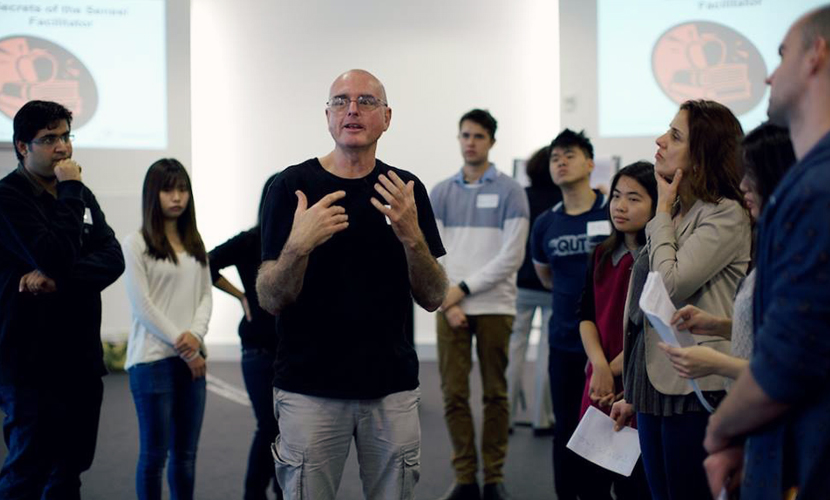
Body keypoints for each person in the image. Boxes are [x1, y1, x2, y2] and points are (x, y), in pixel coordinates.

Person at [255, 69, 447, 500]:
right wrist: (297, 247)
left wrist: (413, 238)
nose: (353, 110)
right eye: (341, 101)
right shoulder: (291, 187)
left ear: (387, 117)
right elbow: (270, 297)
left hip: (391, 390)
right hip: (309, 389)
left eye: (366, 101)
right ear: (328, 116)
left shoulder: (405, 190)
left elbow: (433, 296)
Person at [703, 8, 830, 499]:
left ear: (816, 54)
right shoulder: (808, 182)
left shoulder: (817, 189)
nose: (769, 76)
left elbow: (790, 359)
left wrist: (721, 431)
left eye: (781, 55)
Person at [610, 100, 751, 500]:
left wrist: (660, 211)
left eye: (674, 136)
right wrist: (632, 391)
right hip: (653, 380)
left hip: (694, 386)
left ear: (703, 152)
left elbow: (669, 284)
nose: (660, 141)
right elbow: (644, 305)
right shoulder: (679, 211)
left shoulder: (724, 213)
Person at [0, 100, 125, 499]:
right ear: (23, 146)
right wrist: (70, 190)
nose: (63, 148)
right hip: (30, 366)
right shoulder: (9, 197)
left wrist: (58, 281)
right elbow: (53, 254)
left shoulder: (80, 194)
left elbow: (113, 258)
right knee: (27, 472)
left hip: (80, 361)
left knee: (70, 472)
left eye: (67, 136)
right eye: (49, 138)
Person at [430, 109, 529, 500]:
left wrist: (462, 290)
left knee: (495, 395)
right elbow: (431, 254)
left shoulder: (511, 191)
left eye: (479, 136)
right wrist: (448, 300)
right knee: (453, 395)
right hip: (450, 306)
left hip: (494, 307)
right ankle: (465, 477)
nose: (470, 142)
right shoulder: (441, 192)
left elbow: (511, 257)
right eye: (465, 135)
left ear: (492, 141)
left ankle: (494, 476)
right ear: (458, 139)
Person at [658, 124, 795, 385]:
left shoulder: (725, 213)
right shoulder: (777, 241)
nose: (743, 185)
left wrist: (717, 363)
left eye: (752, 174)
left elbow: (793, 363)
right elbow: (769, 333)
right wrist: (719, 326)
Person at [122, 158, 212, 500]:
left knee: (186, 456)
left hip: (192, 360)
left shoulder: (195, 241)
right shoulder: (136, 243)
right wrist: (185, 345)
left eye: (183, 190)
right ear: (153, 194)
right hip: (152, 361)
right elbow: (143, 306)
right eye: (168, 190)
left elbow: (205, 296)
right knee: (154, 457)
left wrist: (195, 337)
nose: (177, 197)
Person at [530, 129, 610, 500]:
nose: (560, 162)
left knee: (605, 428)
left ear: (590, 163)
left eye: (570, 155)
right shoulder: (546, 223)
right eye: (555, 157)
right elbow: (546, 276)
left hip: (610, 347)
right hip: (564, 341)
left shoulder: (611, 211)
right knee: (565, 428)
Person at [577, 161, 656, 500]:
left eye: (634, 199)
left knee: (634, 484)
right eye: (617, 196)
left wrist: (610, 371)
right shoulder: (600, 253)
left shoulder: (659, 259)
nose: (620, 206)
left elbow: (653, 329)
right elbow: (586, 315)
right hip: (599, 380)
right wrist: (599, 366)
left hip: (638, 380)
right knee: (590, 480)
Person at [208, 173, 282, 500]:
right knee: (269, 426)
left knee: (289, 430)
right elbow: (206, 263)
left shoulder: (302, 243)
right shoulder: (251, 240)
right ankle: (254, 493)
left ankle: (281, 490)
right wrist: (240, 295)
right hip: (258, 350)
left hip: (294, 351)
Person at [505, 146, 559, 435]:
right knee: (546, 351)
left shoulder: (521, 197)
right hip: (551, 284)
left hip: (521, 282)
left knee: (514, 348)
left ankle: (506, 416)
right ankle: (542, 418)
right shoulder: (563, 201)